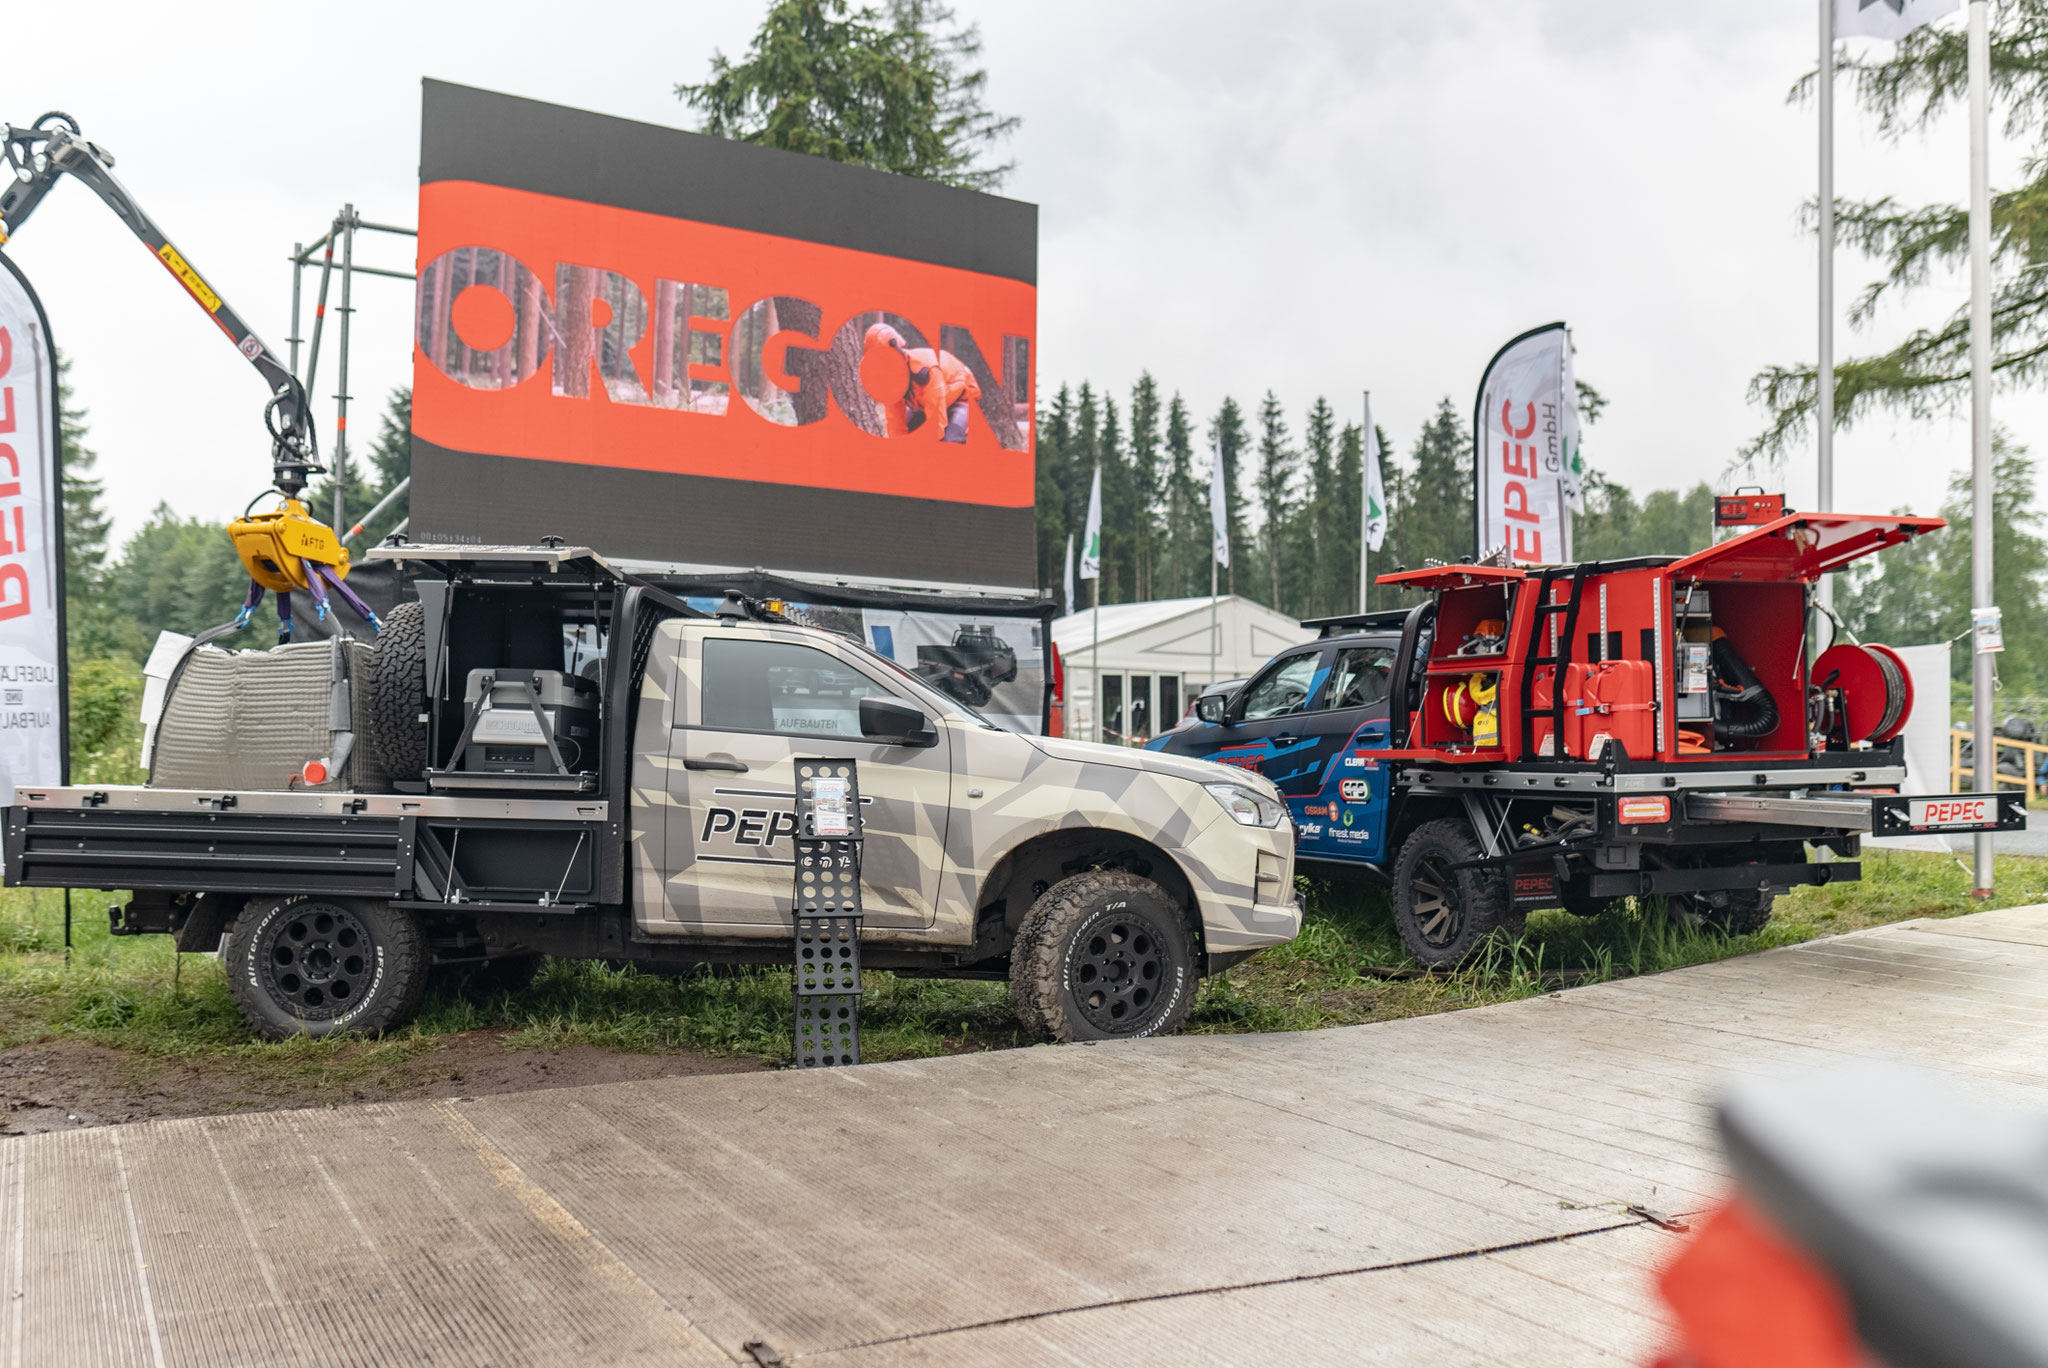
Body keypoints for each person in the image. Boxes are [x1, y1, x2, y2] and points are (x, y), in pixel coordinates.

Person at [863, 322, 980, 442]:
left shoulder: (926, 372)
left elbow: (936, 427)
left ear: (897, 350)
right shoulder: (892, 382)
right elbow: (896, 427)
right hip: (927, 406)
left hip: (961, 399)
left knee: (950, 440)